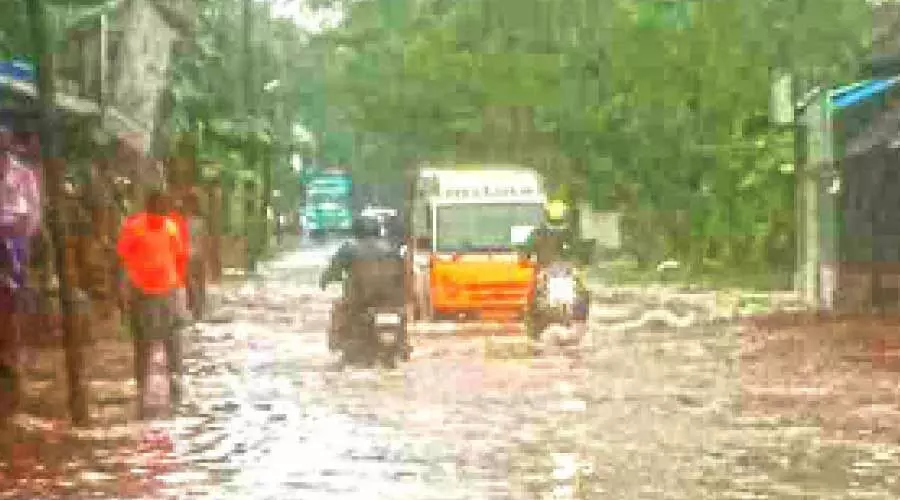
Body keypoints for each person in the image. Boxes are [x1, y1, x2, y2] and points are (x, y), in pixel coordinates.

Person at [117, 190, 186, 418]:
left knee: (173, 341)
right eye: (158, 207)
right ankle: (141, 389)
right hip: (143, 294)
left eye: (165, 208)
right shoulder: (134, 228)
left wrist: (181, 290)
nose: (162, 212)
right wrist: (122, 291)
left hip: (169, 293)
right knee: (143, 344)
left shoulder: (171, 228)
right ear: (149, 207)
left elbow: (178, 258)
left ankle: (176, 385)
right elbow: (121, 260)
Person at [320, 217, 406, 364]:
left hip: (359, 301)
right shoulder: (392, 248)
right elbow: (403, 274)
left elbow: (333, 270)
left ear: (356, 231)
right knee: (402, 316)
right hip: (390, 301)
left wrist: (325, 280)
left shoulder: (348, 248)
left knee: (338, 309)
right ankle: (403, 344)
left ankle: (338, 343)